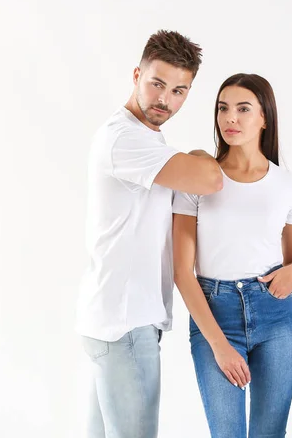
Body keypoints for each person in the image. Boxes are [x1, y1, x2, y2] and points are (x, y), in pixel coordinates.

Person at [76, 30, 222, 438]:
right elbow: (210, 179)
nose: (165, 100)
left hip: (109, 319)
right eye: (157, 84)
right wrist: (196, 154)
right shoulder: (126, 139)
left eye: (179, 91)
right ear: (137, 74)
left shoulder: (144, 138)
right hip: (126, 322)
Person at [172, 73, 292, 438]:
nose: (230, 118)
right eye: (223, 108)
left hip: (278, 317)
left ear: (265, 117)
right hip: (215, 314)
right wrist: (219, 344)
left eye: (243, 109)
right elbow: (182, 272)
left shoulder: (291, 186)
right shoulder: (198, 179)